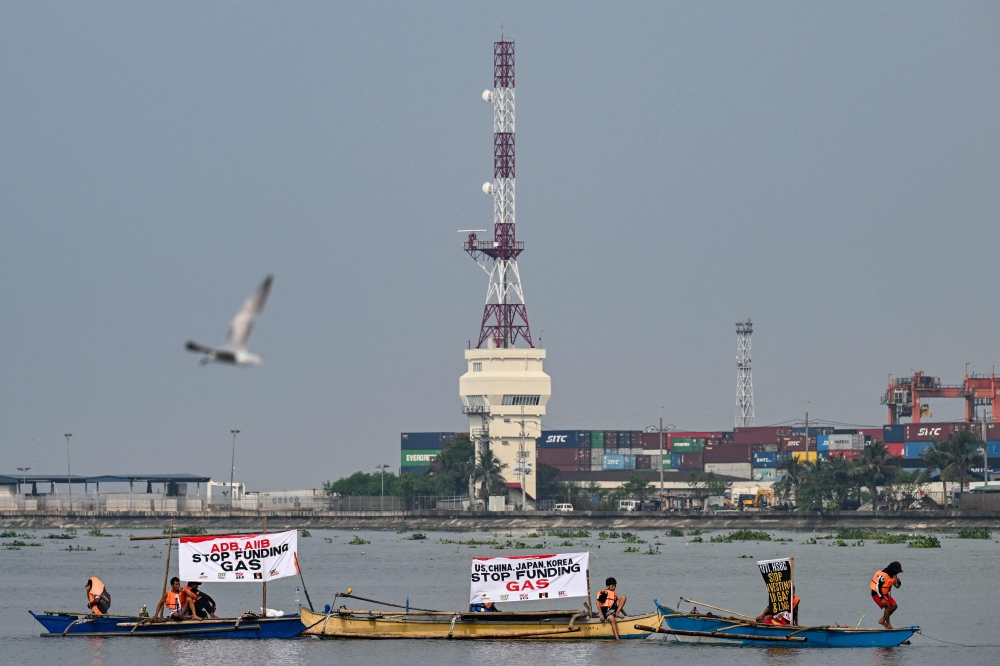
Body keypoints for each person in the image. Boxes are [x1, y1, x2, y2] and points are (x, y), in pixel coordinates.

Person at [871, 561, 903, 629]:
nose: (897, 573)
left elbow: (897, 586)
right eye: (896, 571)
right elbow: (878, 587)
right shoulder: (883, 575)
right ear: (892, 569)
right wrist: (882, 598)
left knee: (894, 606)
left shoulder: (894, 575)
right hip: (876, 593)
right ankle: (888, 624)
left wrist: (898, 582)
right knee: (887, 606)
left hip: (885, 594)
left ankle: (882, 620)